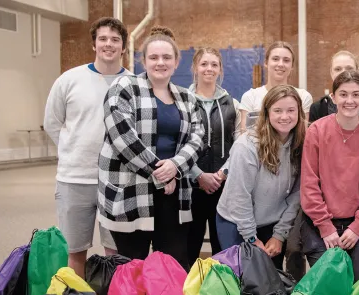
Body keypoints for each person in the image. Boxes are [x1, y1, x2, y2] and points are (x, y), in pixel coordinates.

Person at [97, 26, 203, 270]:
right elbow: (122, 137)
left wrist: (175, 167)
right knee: (132, 265)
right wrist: (161, 173)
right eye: (153, 57)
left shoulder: (188, 98)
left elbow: (198, 138)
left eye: (167, 57)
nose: (160, 62)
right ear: (143, 60)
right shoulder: (124, 88)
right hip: (132, 190)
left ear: (176, 62)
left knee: (173, 264)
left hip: (173, 192)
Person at [44, 17, 131, 278]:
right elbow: (52, 123)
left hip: (118, 181)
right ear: (94, 44)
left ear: (123, 47)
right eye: (103, 39)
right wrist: (73, 151)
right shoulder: (69, 80)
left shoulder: (134, 83)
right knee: (75, 252)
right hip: (74, 179)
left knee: (115, 253)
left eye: (115, 40)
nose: (109, 44)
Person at [300, 70, 359, 281]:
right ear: (333, 96)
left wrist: (357, 228)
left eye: (356, 94)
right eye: (344, 94)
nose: (350, 100)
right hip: (320, 223)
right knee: (330, 288)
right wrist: (325, 227)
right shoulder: (317, 131)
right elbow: (309, 184)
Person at [215, 85, 304, 269]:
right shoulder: (246, 146)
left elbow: (297, 194)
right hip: (236, 222)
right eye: (277, 110)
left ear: (299, 113)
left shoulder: (301, 143)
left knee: (270, 283)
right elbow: (239, 198)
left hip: (272, 223)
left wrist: (279, 235)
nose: (285, 116)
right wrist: (252, 239)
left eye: (291, 110)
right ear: (267, 112)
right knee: (243, 284)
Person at [186, 47, 242, 263]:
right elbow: (179, 142)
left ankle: (222, 292)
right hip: (192, 187)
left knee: (223, 247)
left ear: (220, 69)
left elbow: (239, 143)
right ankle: (187, 293)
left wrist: (223, 172)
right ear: (195, 68)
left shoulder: (232, 104)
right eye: (204, 64)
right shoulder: (183, 101)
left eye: (214, 64)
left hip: (223, 185)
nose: (209, 68)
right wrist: (199, 174)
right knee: (190, 247)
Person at [239, 41, 313, 130]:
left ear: (292, 66)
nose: (280, 64)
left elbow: (302, 135)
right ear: (266, 63)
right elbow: (245, 135)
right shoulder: (250, 97)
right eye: (275, 59)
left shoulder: (303, 96)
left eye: (286, 60)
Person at [309, 50, 359, 125]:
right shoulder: (317, 108)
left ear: (357, 71)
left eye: (349, 68)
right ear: (331, 72)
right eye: (338, 69)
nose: (343, 73)